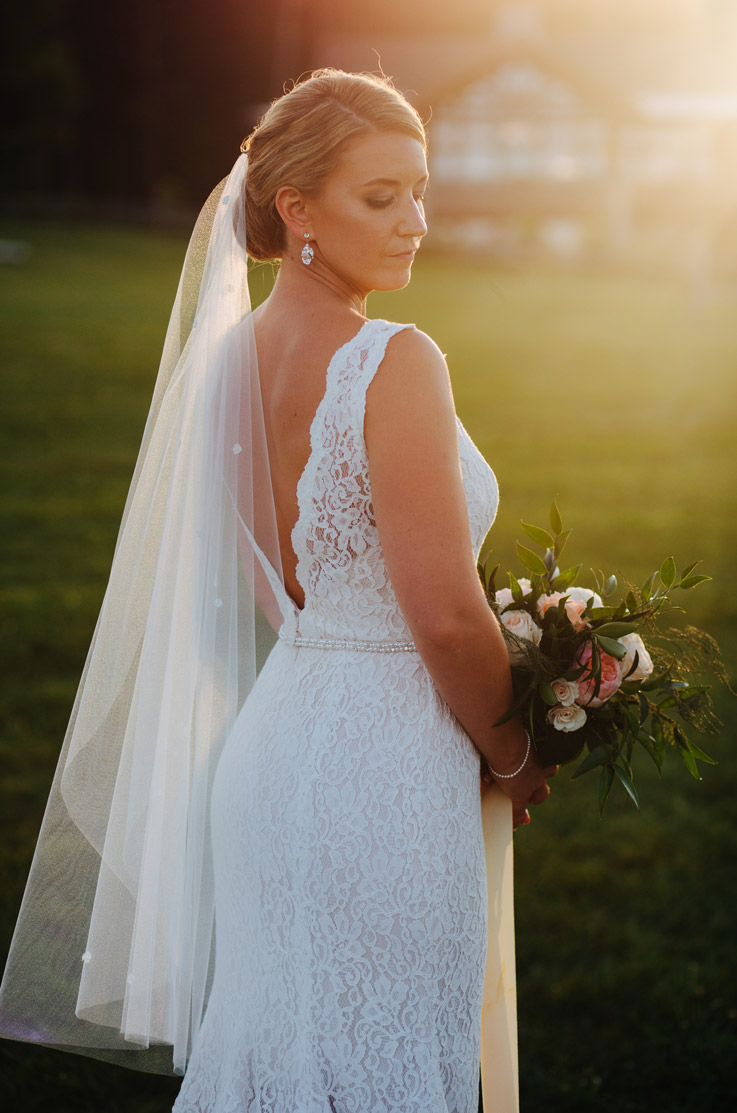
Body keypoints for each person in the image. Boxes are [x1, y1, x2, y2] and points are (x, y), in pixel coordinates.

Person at [0, 70, 555, 1113]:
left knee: (278, 1060)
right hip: (386, 775)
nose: (414, 223)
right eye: (378, 197)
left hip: (271, 755)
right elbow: (439, 614)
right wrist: (518, 752)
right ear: (295, 209)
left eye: (419, 191)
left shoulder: (223, 369)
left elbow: (266, 583)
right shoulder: (398, 359)